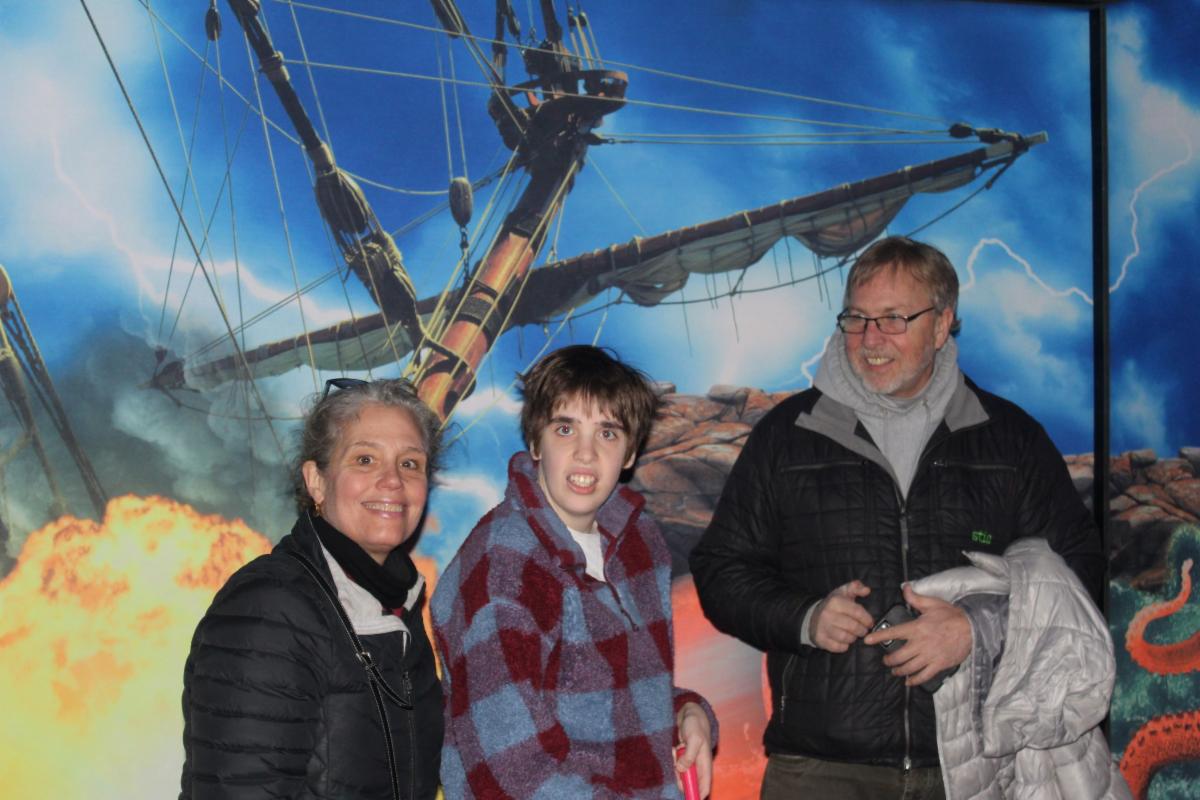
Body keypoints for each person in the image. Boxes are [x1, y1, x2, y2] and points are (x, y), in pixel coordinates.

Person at [688, 236, 1105, 799]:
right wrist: (805, 618)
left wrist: (975, 630)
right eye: (856, 318)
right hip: (820, 771)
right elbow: (721, 570)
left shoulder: (1012, 441)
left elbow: (1078, 575)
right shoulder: (786, 437)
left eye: (893, 319)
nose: (870, 339)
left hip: (979, 769)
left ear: (942, 324)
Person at [431, 345, 718, 799]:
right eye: (565, 429)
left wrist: (687, 712)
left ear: (630, 452)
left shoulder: (640, 543)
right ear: (535, 442)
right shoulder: (502, 564)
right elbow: (510, 771)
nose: (586, 453)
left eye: (607, 432)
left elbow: (615, 695)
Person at [180, 378, 444, 799]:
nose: (393, 480)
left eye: (410, 463)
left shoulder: (400, 608)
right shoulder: (271, 608)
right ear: (316, 481)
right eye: (365, 459)